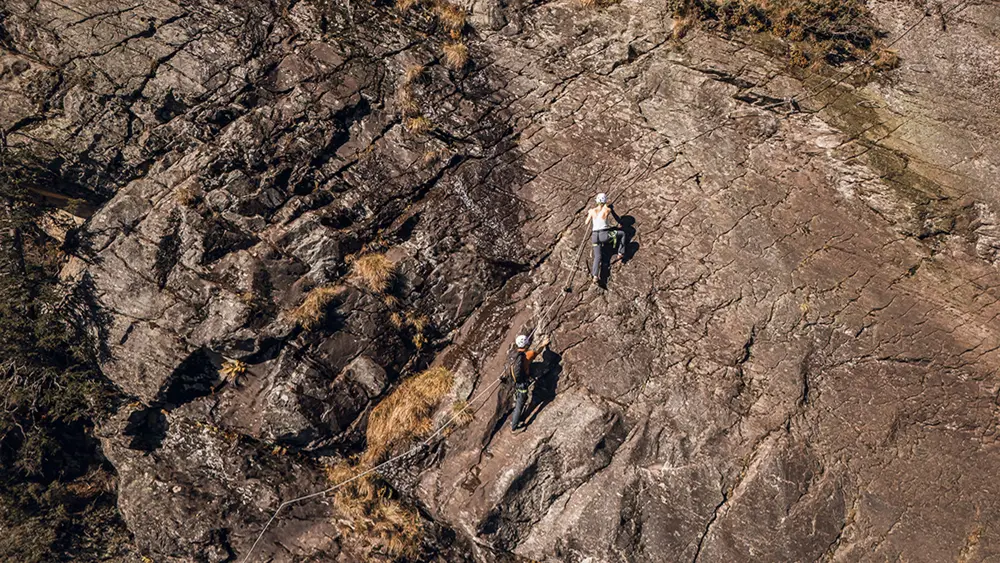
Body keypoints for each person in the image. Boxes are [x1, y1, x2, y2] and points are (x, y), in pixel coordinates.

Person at [505, 333, 550, 431]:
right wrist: (543, 344)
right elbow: (537, 351)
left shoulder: (513, 355)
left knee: (520, 402)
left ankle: (517, 419)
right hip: (522, 383)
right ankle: (514, 427)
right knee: (519, 405)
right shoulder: (527, 355)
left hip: (515, 382)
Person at [586, 193, 626, 283]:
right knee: (622, 234)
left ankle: (595, 276)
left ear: (596, 200)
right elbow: (616, 219)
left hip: (595, 236)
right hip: (604, 235)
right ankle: (620, 253)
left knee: (597, 256)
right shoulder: (607, 210)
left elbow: (586, 222)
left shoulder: (592, 211)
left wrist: (589, 213)